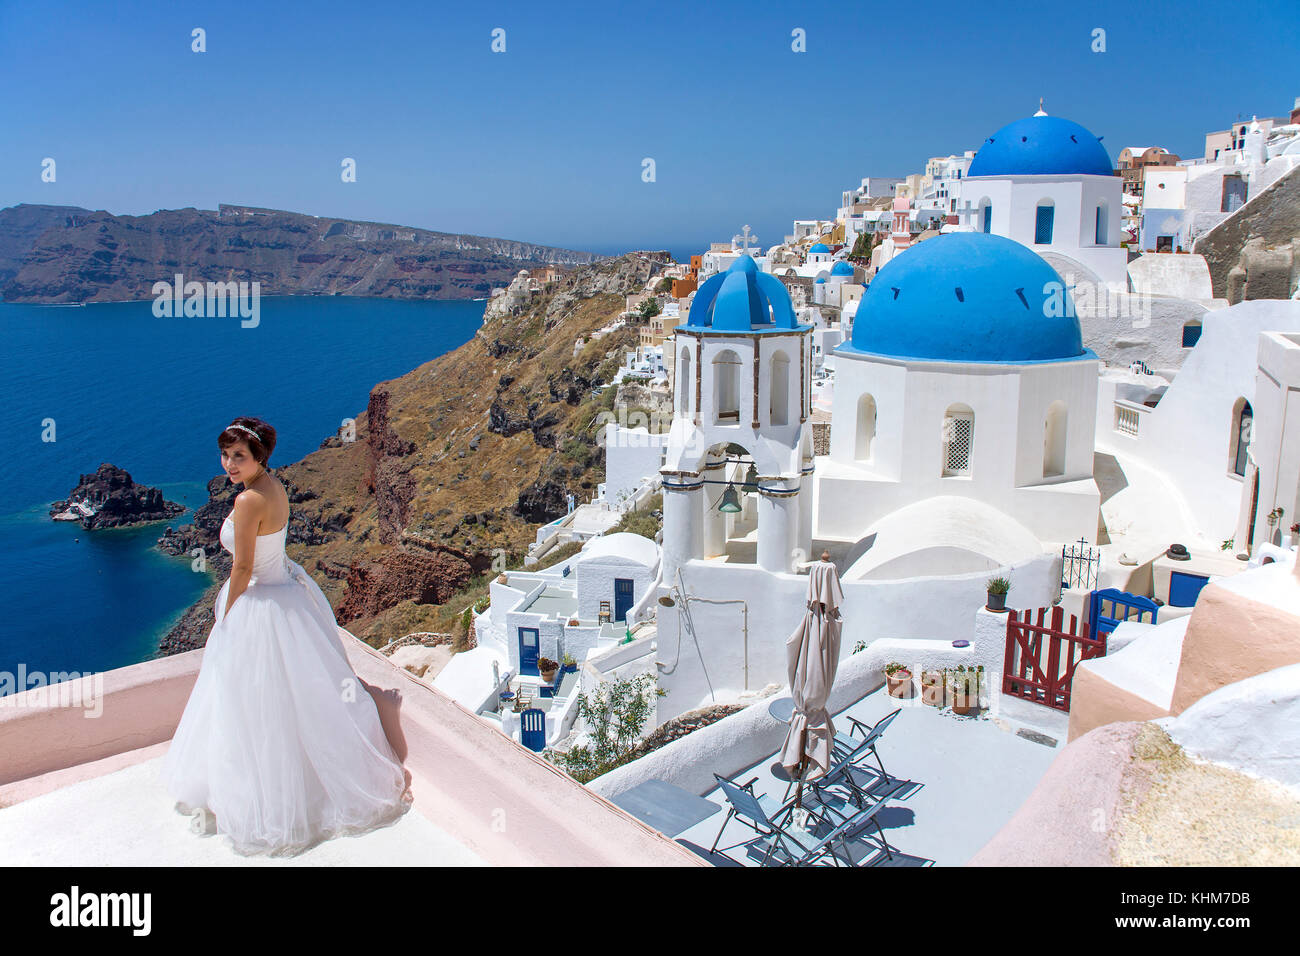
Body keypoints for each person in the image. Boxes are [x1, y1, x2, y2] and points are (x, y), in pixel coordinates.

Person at [161, 416, 412, 856]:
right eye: (225, 455)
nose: (229, 464)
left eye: (239, 456)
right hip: (288, 592)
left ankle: (263, 800)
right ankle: (308, 789)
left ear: (260, 457)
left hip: (259, 599)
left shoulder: (246, 503)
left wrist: (227, 614)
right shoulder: (274, 487)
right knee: (296, 699)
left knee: (253, 707)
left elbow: (240, 567)